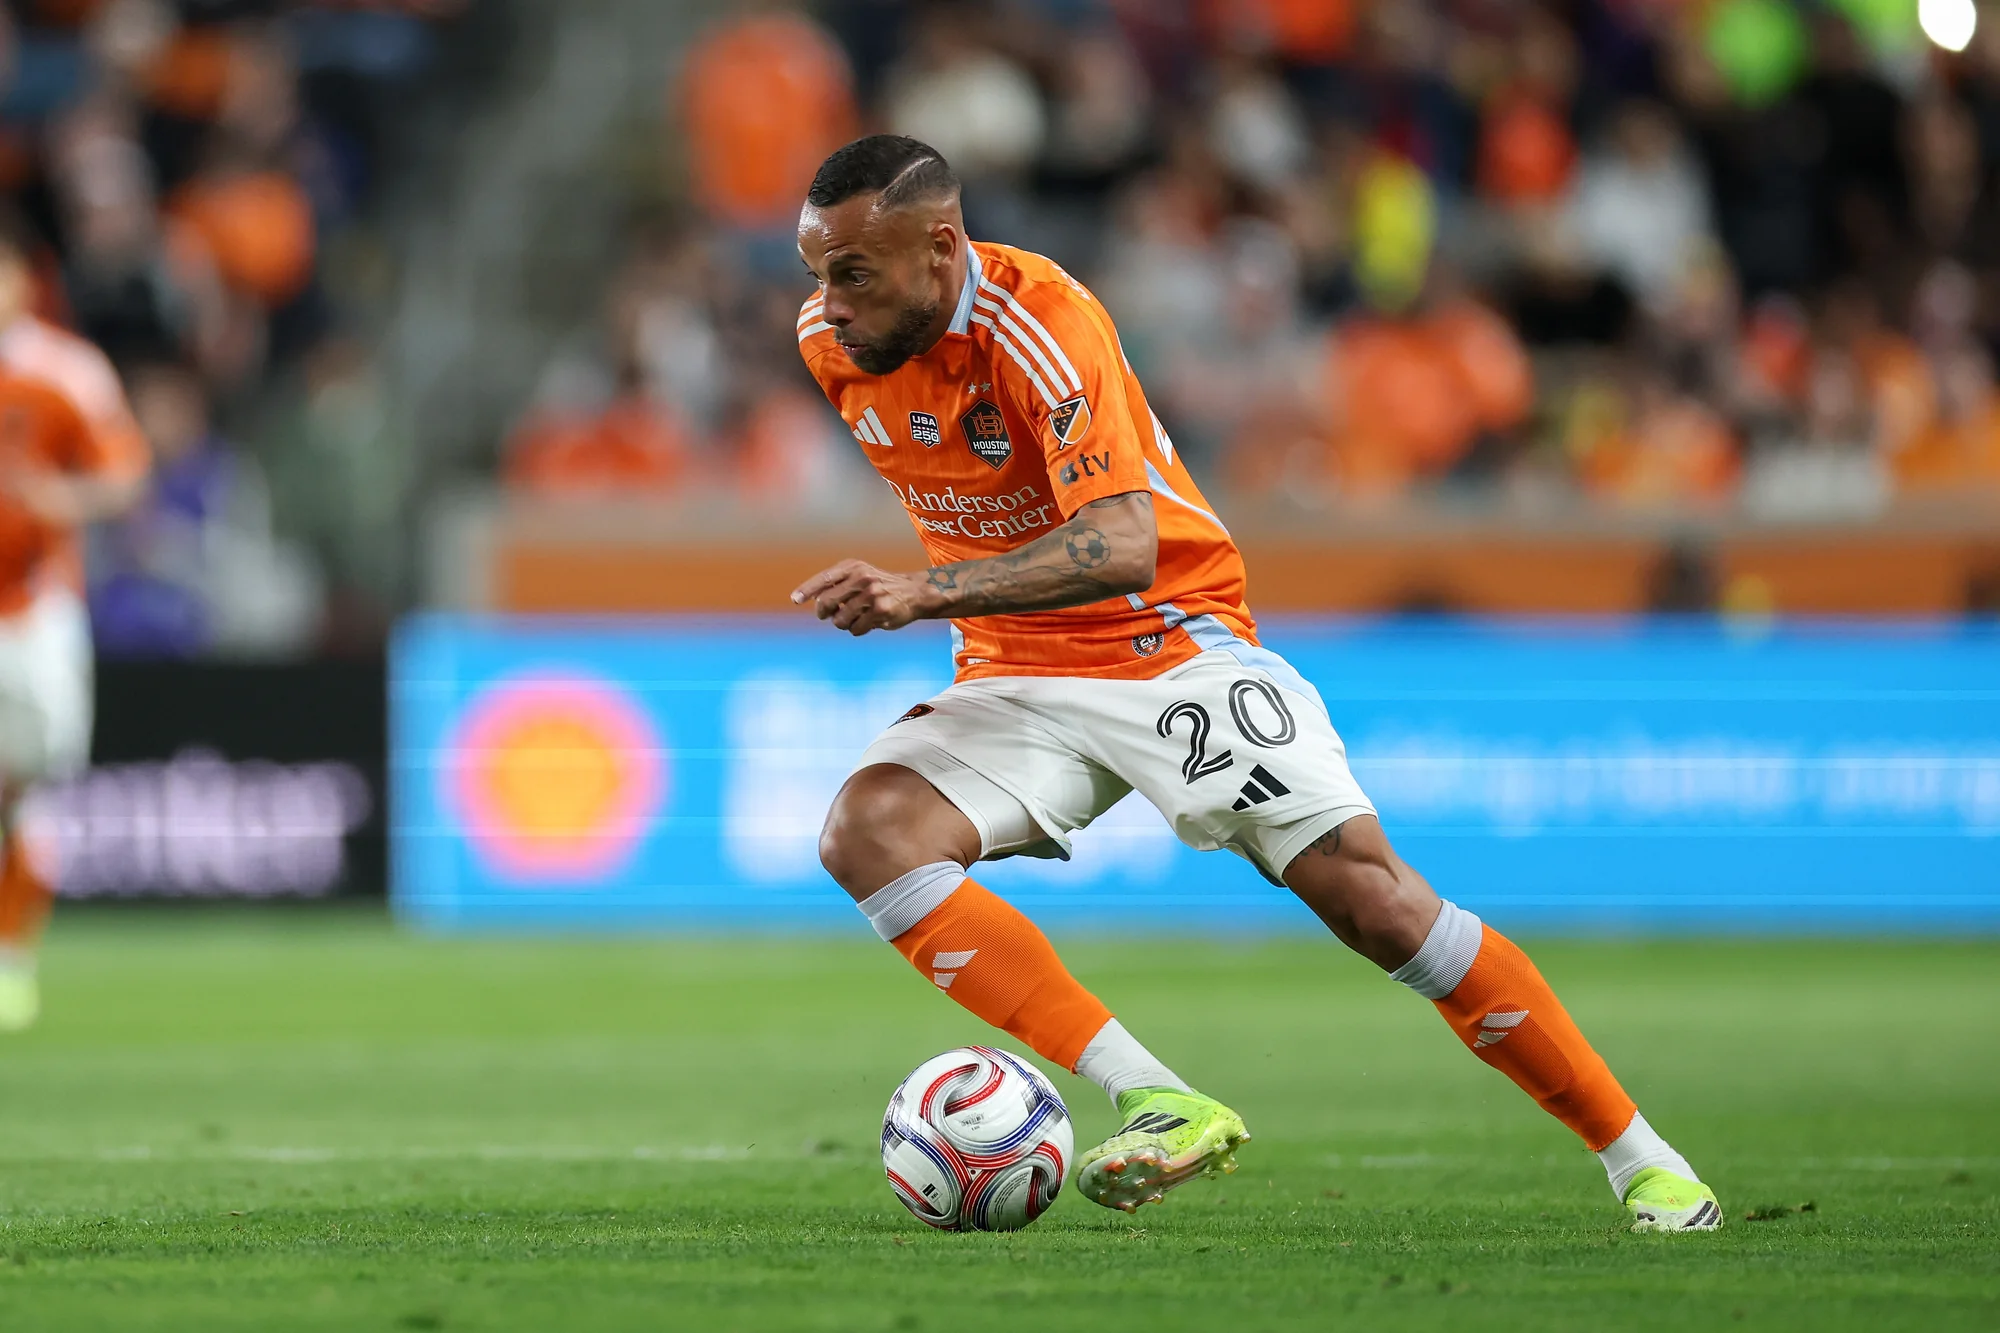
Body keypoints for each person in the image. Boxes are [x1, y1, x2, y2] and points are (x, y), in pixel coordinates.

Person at [790, 135, 1722, 1232]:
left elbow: (1124, 544)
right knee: (869, 833)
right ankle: (1157, 1097)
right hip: (1014, 663)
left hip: (1163, 642)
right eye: (817, 272)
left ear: (941, 247)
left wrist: (920, 592)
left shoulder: (1044, 326)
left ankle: (1643, 1161)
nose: (828, 303)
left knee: (1371, 900)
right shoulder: (830, 343)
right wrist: (955, 602)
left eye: (853, 272)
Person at [0, 214, 150, 1031]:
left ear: (25, 279)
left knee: (35, 780)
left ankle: (11, 956)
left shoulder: (65, 369)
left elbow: (125, 472)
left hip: (32, 611)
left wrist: (66, 499)